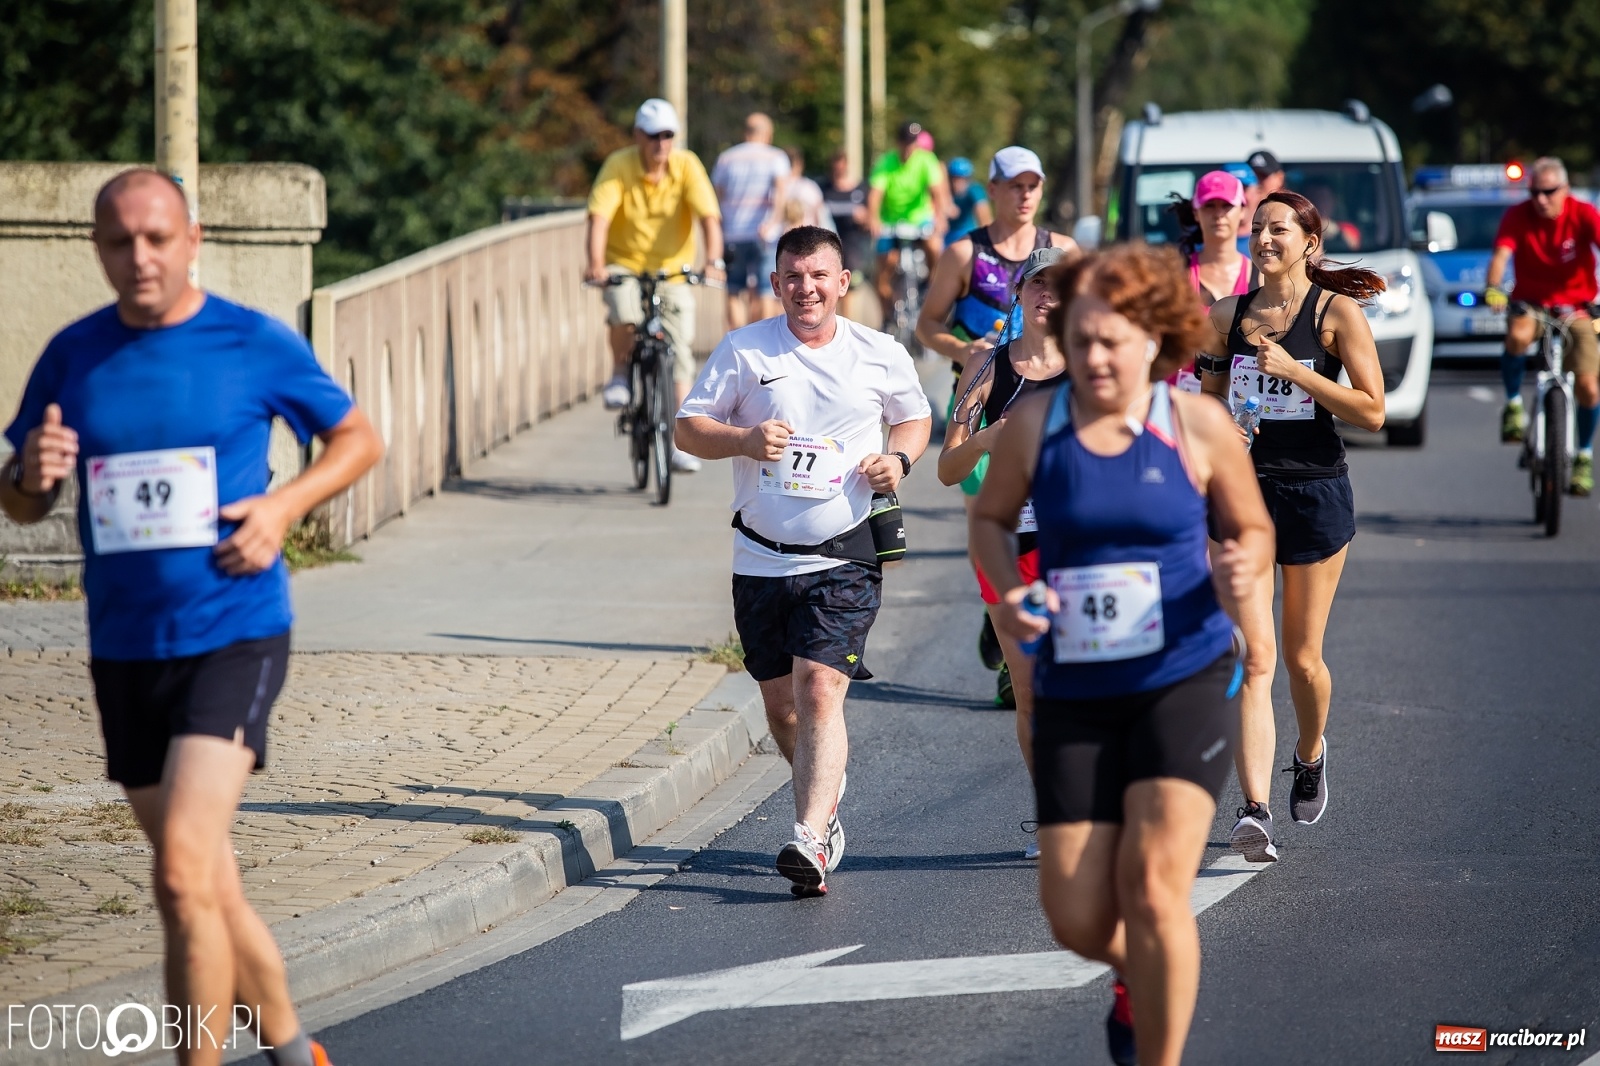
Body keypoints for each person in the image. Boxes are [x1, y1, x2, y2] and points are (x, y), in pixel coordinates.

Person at [1, 170, 384, 1066]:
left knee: (178, 872)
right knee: (203, 877)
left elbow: (359, 438)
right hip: (124, 643)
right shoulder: (72, 353)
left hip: (235, 628)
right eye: (119, 242)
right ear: (97, 247)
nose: (139, 257)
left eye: (157, 238)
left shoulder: (251, 342)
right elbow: (20, 500)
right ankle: (295, 1051)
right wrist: (28, 477)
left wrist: (283, 510)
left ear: (192, 237)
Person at [971, 243, 1273, 1066]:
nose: (1098, 357)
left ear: (1155, 341)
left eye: (1116, 339)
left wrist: (1241, 562)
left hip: (1183, 675)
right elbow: (990, 522)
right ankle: (1135, 973)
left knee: (1153, 889)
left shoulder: (1195, 424)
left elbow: (1249, 525)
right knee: (1075, 914)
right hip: (1077, 685)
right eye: (1084, 340)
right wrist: (1012, 590)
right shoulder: (1039, 422)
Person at [675, 226, 932, 896]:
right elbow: (687, 427)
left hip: (844, 551)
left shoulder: (877, 353)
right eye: (793, 276)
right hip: (760, 558)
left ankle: (810, 836)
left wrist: (896, 460)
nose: (806, 288)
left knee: (819, 690)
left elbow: (914, 418)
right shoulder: (744, 350)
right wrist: (744, 439)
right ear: (777, 283)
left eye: (819, 275)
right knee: (780, 705)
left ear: (844, 281)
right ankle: (825, 785)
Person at [1195, 190, 1386, 863]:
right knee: (1256, 658)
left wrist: (1295, 374)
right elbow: (1209, 407)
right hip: (1247, 498)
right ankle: (1254, 811)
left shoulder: (1336, 313)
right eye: (1257, 228)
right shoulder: (1227, 315)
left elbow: (1372, 411)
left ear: (1309, 240)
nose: (1264, 238)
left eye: (1278, 229)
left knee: (1302, 660)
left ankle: (1310, 754)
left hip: (1313, 492)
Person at [937, 246, 1066, 856]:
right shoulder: (989, 368)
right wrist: (990, 433)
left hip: (1082, 544)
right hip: (1011, 542)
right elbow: (946, 467)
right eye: (1037, 285)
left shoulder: (1094, 364)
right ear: (1019, 295)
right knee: (1033, 687)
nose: (1049, 295)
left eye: (1061, 285)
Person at [586, 98, 726, 475]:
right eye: (653, 136)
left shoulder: (686, 166)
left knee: (679, 344)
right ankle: (619, 371)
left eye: (667, 136)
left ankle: (683, 439)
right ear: (638, 137)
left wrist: (713, 262)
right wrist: (596, 264)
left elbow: (709, 217)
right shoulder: (619, 165)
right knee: (623, 309)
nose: (661, 144)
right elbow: (599, 218)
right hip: (625, 262)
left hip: (672, 268)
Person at [1485, 156, 1600, 494]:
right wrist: (1494, 288)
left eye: (1549, 192)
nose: (1541, 200)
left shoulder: (1583, 214)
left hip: (1577, 307)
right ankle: (1513, 404)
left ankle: (1583, 456)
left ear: (1565, 189)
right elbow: (1501, 257)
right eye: (1534, 192)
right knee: (1517, 336)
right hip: (1532, 304)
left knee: (1590, 387)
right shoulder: (1518, 215)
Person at [868, 121, 952, 325]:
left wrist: (939, 217)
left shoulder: (926, 160)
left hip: (919, 220)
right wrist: (874, 218)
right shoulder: (886, 162)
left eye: (912, 143)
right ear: (898, 143)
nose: (909, 148)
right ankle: (887, 314)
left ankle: (931, 282)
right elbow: (875, 195)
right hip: (892, 222)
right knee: (885, 265)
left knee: (933, 245)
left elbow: (937, 191)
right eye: (905, 142)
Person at [712, 112, 791, 330]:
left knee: (734, 290)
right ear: (767, 134)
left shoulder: (726, 158)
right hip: (763, 234)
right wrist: (773, 223)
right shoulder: (776, 157)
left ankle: (737, 341)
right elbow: (781, 196)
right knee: (766, 289)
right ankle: (762, 346)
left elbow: (717, 197)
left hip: (733, 233)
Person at [823, 150, 870, 275]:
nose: (839, 169)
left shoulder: (861, 190)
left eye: (842, 166)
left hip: (854, 245)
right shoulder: (824, 189)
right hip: (829, 243)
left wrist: (864, 218)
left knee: (852, 282)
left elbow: (872, 220)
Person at [777, 145, 835, 234]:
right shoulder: (810, 188)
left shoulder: (774, 189)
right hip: (807, 240)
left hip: (779, 241)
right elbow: (823, 219)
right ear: (799, 164)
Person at [945, 157, 992, 243]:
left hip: (968, 235)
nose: (957, 183)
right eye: (954, 179)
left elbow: (984, 215)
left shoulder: (975, 190)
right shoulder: (944, 191)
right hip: (947, 236)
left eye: (961, 179)